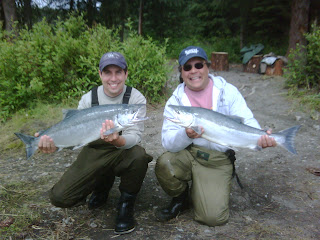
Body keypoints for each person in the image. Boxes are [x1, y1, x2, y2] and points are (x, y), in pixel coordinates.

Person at [155, 46, 276, 227]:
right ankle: (181, 198)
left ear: (207, 67)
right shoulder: (175, 102)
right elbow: (168, 143)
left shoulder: (228, 92)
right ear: (181, 72)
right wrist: (186, 134)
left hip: (218, 160)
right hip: (189, 155)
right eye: (187, 67)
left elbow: (247, 121)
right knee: (164, 163)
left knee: (212, 218)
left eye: (198, 65)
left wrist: (260, 139)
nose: (193, 71)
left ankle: (205, 186)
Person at [36, 52, 153, 235]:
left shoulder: (135, 100)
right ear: (100, 74)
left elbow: (135, 136)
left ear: (126, 74)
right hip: (94, 151)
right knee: (59, 197)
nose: (113, 78)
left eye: (118, 72)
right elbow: (74, 133)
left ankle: (126, 205)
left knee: (139, 156)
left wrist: (118, 140)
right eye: (108, 72)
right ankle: (102, 184)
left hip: (122, 149)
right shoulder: (88, 99)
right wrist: (52, 142)